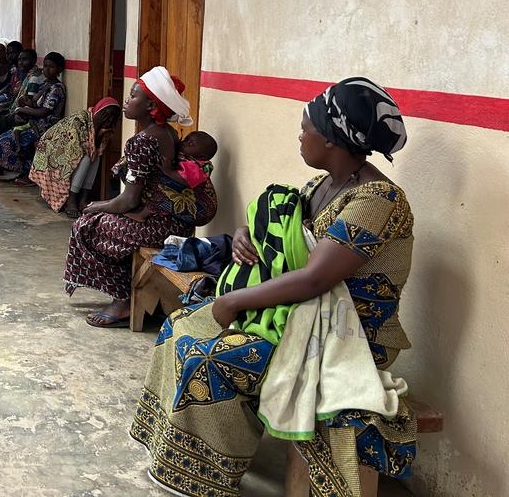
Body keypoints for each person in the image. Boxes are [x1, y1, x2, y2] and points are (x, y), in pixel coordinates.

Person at [130, 77, 414, 495]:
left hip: (345, 334)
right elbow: (280, 230)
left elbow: (315, 277)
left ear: (334, 138)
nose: (300, 135)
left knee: (211, 356)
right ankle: (180, 458)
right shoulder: (321, 186)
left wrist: (232, 302)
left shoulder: (378, 200)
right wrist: (247, 233)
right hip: (298, 314)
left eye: (306, 127)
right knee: (182, 324)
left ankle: (205, 472)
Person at [62, 67, 218, 327]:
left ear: (151, 106)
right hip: (176, 222)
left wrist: (95, 206)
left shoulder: (142, 142)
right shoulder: (168, 134)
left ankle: (123, 301)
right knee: (105, 221)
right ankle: (133, 295)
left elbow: (129, 201)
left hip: (159, 226)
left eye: (133, 96)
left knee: (87, 227)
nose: (127, 100)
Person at [0, 52, 67, 185]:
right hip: (35, 120)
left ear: (59, 69)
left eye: (51, 67)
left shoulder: (57, 88)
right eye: (45, 66)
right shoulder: (46, 85)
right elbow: (35, 102)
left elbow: (45, 111)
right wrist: (26, 102)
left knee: (13, 140)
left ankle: (28, 173)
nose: (47, 70)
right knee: (2, 138)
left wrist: (23, 109)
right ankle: (0, 167)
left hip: (46, 123)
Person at [30, 97, 123, 218]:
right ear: (99, 113)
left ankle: (83, 199)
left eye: (112, 119)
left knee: (95, 157)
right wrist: (96, 126)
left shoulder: (106, 128)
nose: (108, 121)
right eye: (106, 117)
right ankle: (71, 199)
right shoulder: (80, 119)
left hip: (74, 152)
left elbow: (97, 149)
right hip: (52, 150)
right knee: (86, 158)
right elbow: (73, 148)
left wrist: (99, 133)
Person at [126, 129, 218, 222]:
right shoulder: (185, 156)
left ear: (202, 157)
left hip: (198, 207)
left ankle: (141, 215)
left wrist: (169, 171)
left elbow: (187, 181)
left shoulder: (195, 166)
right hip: (187, 198)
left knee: (162, 196)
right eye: (186, 139)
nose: (185, 143)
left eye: (191, 144)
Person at [0, 48, 44, 166]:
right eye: (20, 59)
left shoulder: (34, 78)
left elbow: (28, 103)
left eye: (24, 60)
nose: (21, 62)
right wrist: (4, 107)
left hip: (24, 115)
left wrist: (9, 110)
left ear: (33, 61)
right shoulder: (27, 74)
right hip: (15, 108)